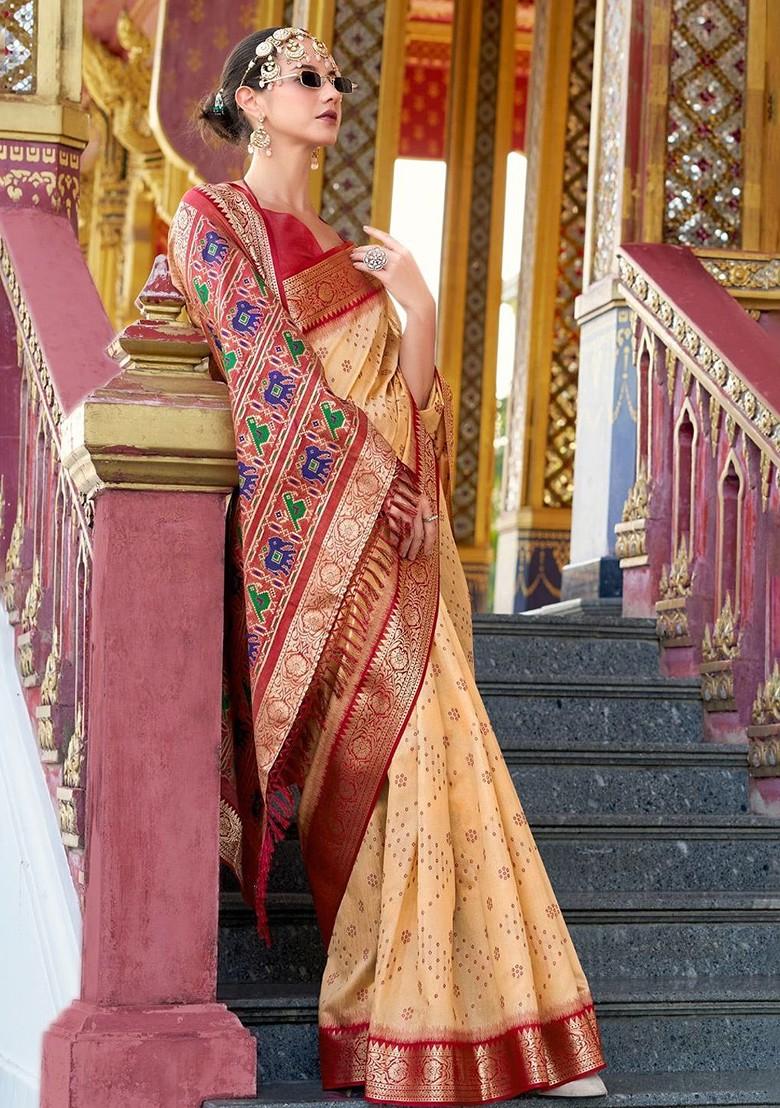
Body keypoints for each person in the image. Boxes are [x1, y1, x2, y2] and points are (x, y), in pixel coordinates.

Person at [167, 26, 608, 1104]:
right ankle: (403, 1016)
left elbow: (409, 398)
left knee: (446, 743)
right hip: (313, 550)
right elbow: (266, 383)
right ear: (253, 99)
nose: (329, 91)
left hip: (389, 532)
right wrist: (376, 481)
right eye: (306, 77)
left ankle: (489, 1021)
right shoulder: (213, 222)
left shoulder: (346, 240)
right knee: (406, 755)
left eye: (336, 77)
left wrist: (413, 303)